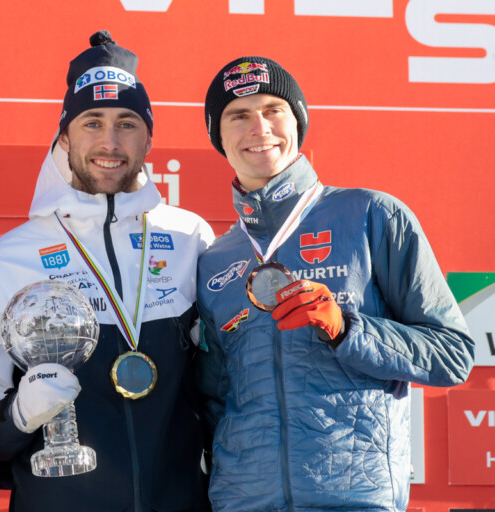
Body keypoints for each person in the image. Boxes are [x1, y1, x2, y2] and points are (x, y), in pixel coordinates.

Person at [195, 56, 475, 512]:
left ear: (298, 121)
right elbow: (212, 400)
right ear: (218, 135)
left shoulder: (372, 216)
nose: (259, 126)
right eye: (238, 115)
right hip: (244, 502)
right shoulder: (216, 259)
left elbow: (453, 353)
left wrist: (349, 329)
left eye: (272, 110)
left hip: (353, 498)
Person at [0, 31, 214, 511]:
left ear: (149, 136)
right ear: (64, 135)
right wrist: (17, 416)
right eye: (92, 122)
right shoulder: (10, 257)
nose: (110, 141)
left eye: (127, 123)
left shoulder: (192, 239)